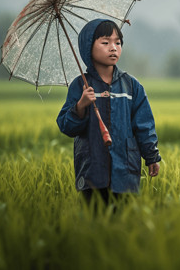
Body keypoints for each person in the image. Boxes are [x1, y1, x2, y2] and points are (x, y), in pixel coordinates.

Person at [57, 19, 161, 205]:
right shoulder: (80, 85)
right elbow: (66, 126)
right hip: (92, 168)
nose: (113, 48)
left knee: (123, 221)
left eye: (118, 43)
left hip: (125, 169)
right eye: (105, 42)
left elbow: (144, 125)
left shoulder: (131, 86)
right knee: (95, 219)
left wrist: (152, 156)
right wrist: (80, 106)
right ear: (89, 47)